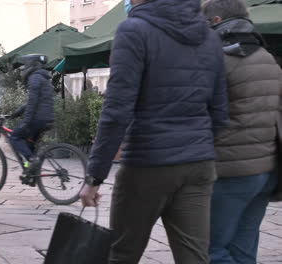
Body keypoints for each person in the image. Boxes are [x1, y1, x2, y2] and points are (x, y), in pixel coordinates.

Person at [80, 0, 229, 263]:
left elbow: (117, 111)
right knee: (194, 257)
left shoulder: (134, 30)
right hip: (198, 163)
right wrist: (197, 146)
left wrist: (94, 176)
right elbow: (219, 112)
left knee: (122, 253)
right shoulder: (209, 37)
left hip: (147, 163)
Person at [202, 0, 281, 263]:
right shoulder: (267, 57)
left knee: (210, 249)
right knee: (243, 250)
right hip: (265, 171)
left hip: (230, 171)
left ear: (215, 22)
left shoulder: (218, 59)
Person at [9, 54, 54, 184]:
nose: (24, 67)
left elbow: (33, 102)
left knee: (15, 137)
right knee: (29, 146)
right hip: (47, 118)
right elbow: (35, 101)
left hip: (37, 118)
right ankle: (31, 175)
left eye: (26, 64)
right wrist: (18, 112)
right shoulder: (44, 78)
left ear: (32, 65)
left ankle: (32, 163)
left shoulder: (34, 78)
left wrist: (26, 122)